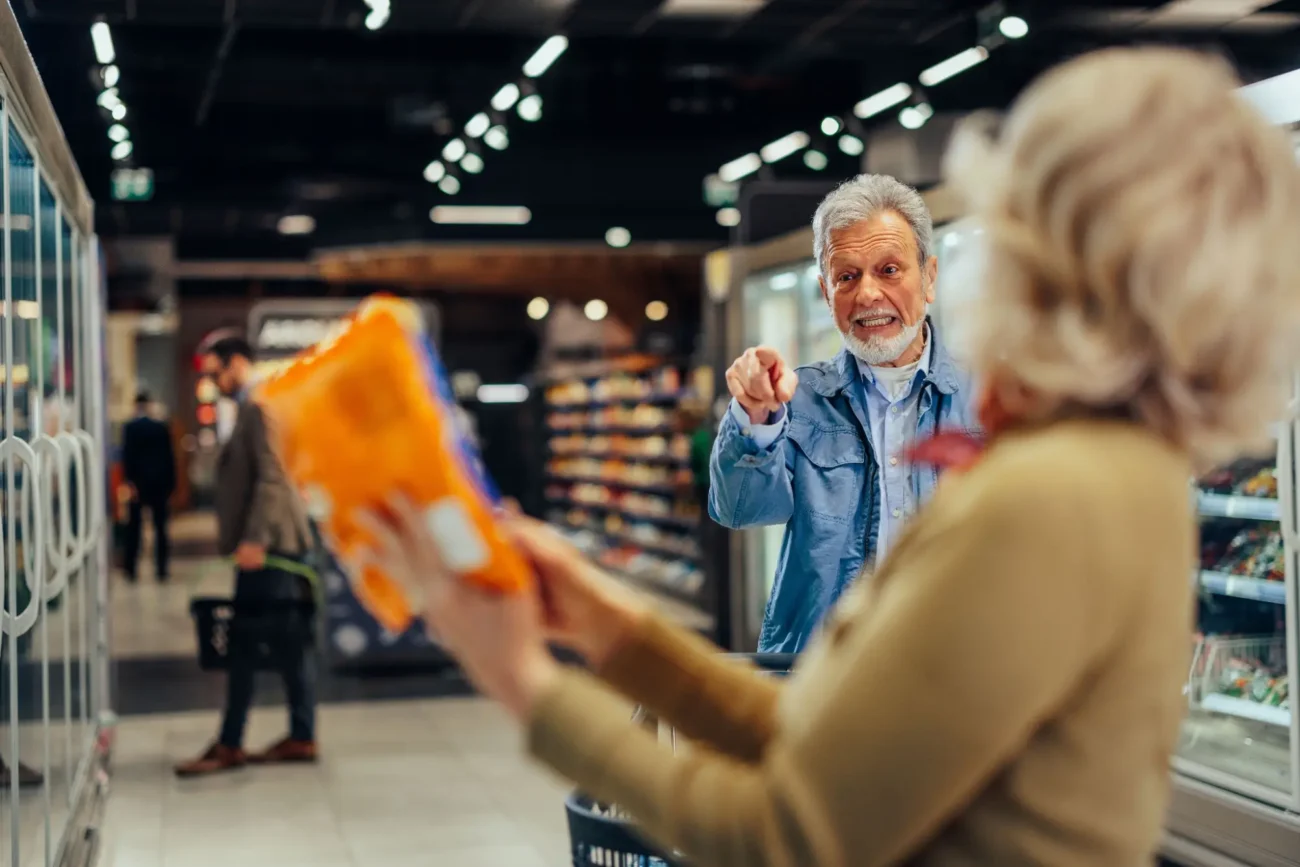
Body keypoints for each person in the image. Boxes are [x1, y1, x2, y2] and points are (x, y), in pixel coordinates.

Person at [355, 48, 1300, 867]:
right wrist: (608, 625)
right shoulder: (1118, 471)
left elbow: (787, 832)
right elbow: (833, 737)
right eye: (847, 274)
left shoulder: (1050, 495)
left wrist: (524, 678)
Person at [710, 173, 977, 653]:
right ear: (826, 291)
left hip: (955, 680)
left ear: (930, 277)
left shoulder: (987, 397)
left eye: (890, 269)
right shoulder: (798, 399)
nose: (868, 294)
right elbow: (739, 508)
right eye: (847, 276)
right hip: (823, 681)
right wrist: (753, 417)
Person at [176, 336, 319, 777]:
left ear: (239, 363)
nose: (214, 381)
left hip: (270, 547)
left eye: (217, 371)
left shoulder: (259, 403)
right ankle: (301, 735)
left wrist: (255, 538)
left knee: (243, 645)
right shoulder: (260, 400)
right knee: (289, 644)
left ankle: (231, 743)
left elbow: (272, 476)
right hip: (279, 543)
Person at [121, 391, 176, 582]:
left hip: (138, 484)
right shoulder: (160, 427)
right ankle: (161, 568)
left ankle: (131, 568)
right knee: (160, 528)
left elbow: (127, 458)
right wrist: (171, 485)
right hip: (159, 484)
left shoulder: (130, 428)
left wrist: (129, 482)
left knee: (134, 528)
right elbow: (170, 458)